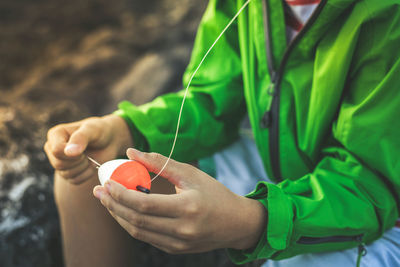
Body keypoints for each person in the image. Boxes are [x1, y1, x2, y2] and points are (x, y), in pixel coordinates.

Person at [44, 0, 400, 266]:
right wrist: (125, 129)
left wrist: (251, 221)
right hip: (279, 167)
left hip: (374, 214)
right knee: (84, 174)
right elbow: (213, 99)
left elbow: (372, 183)